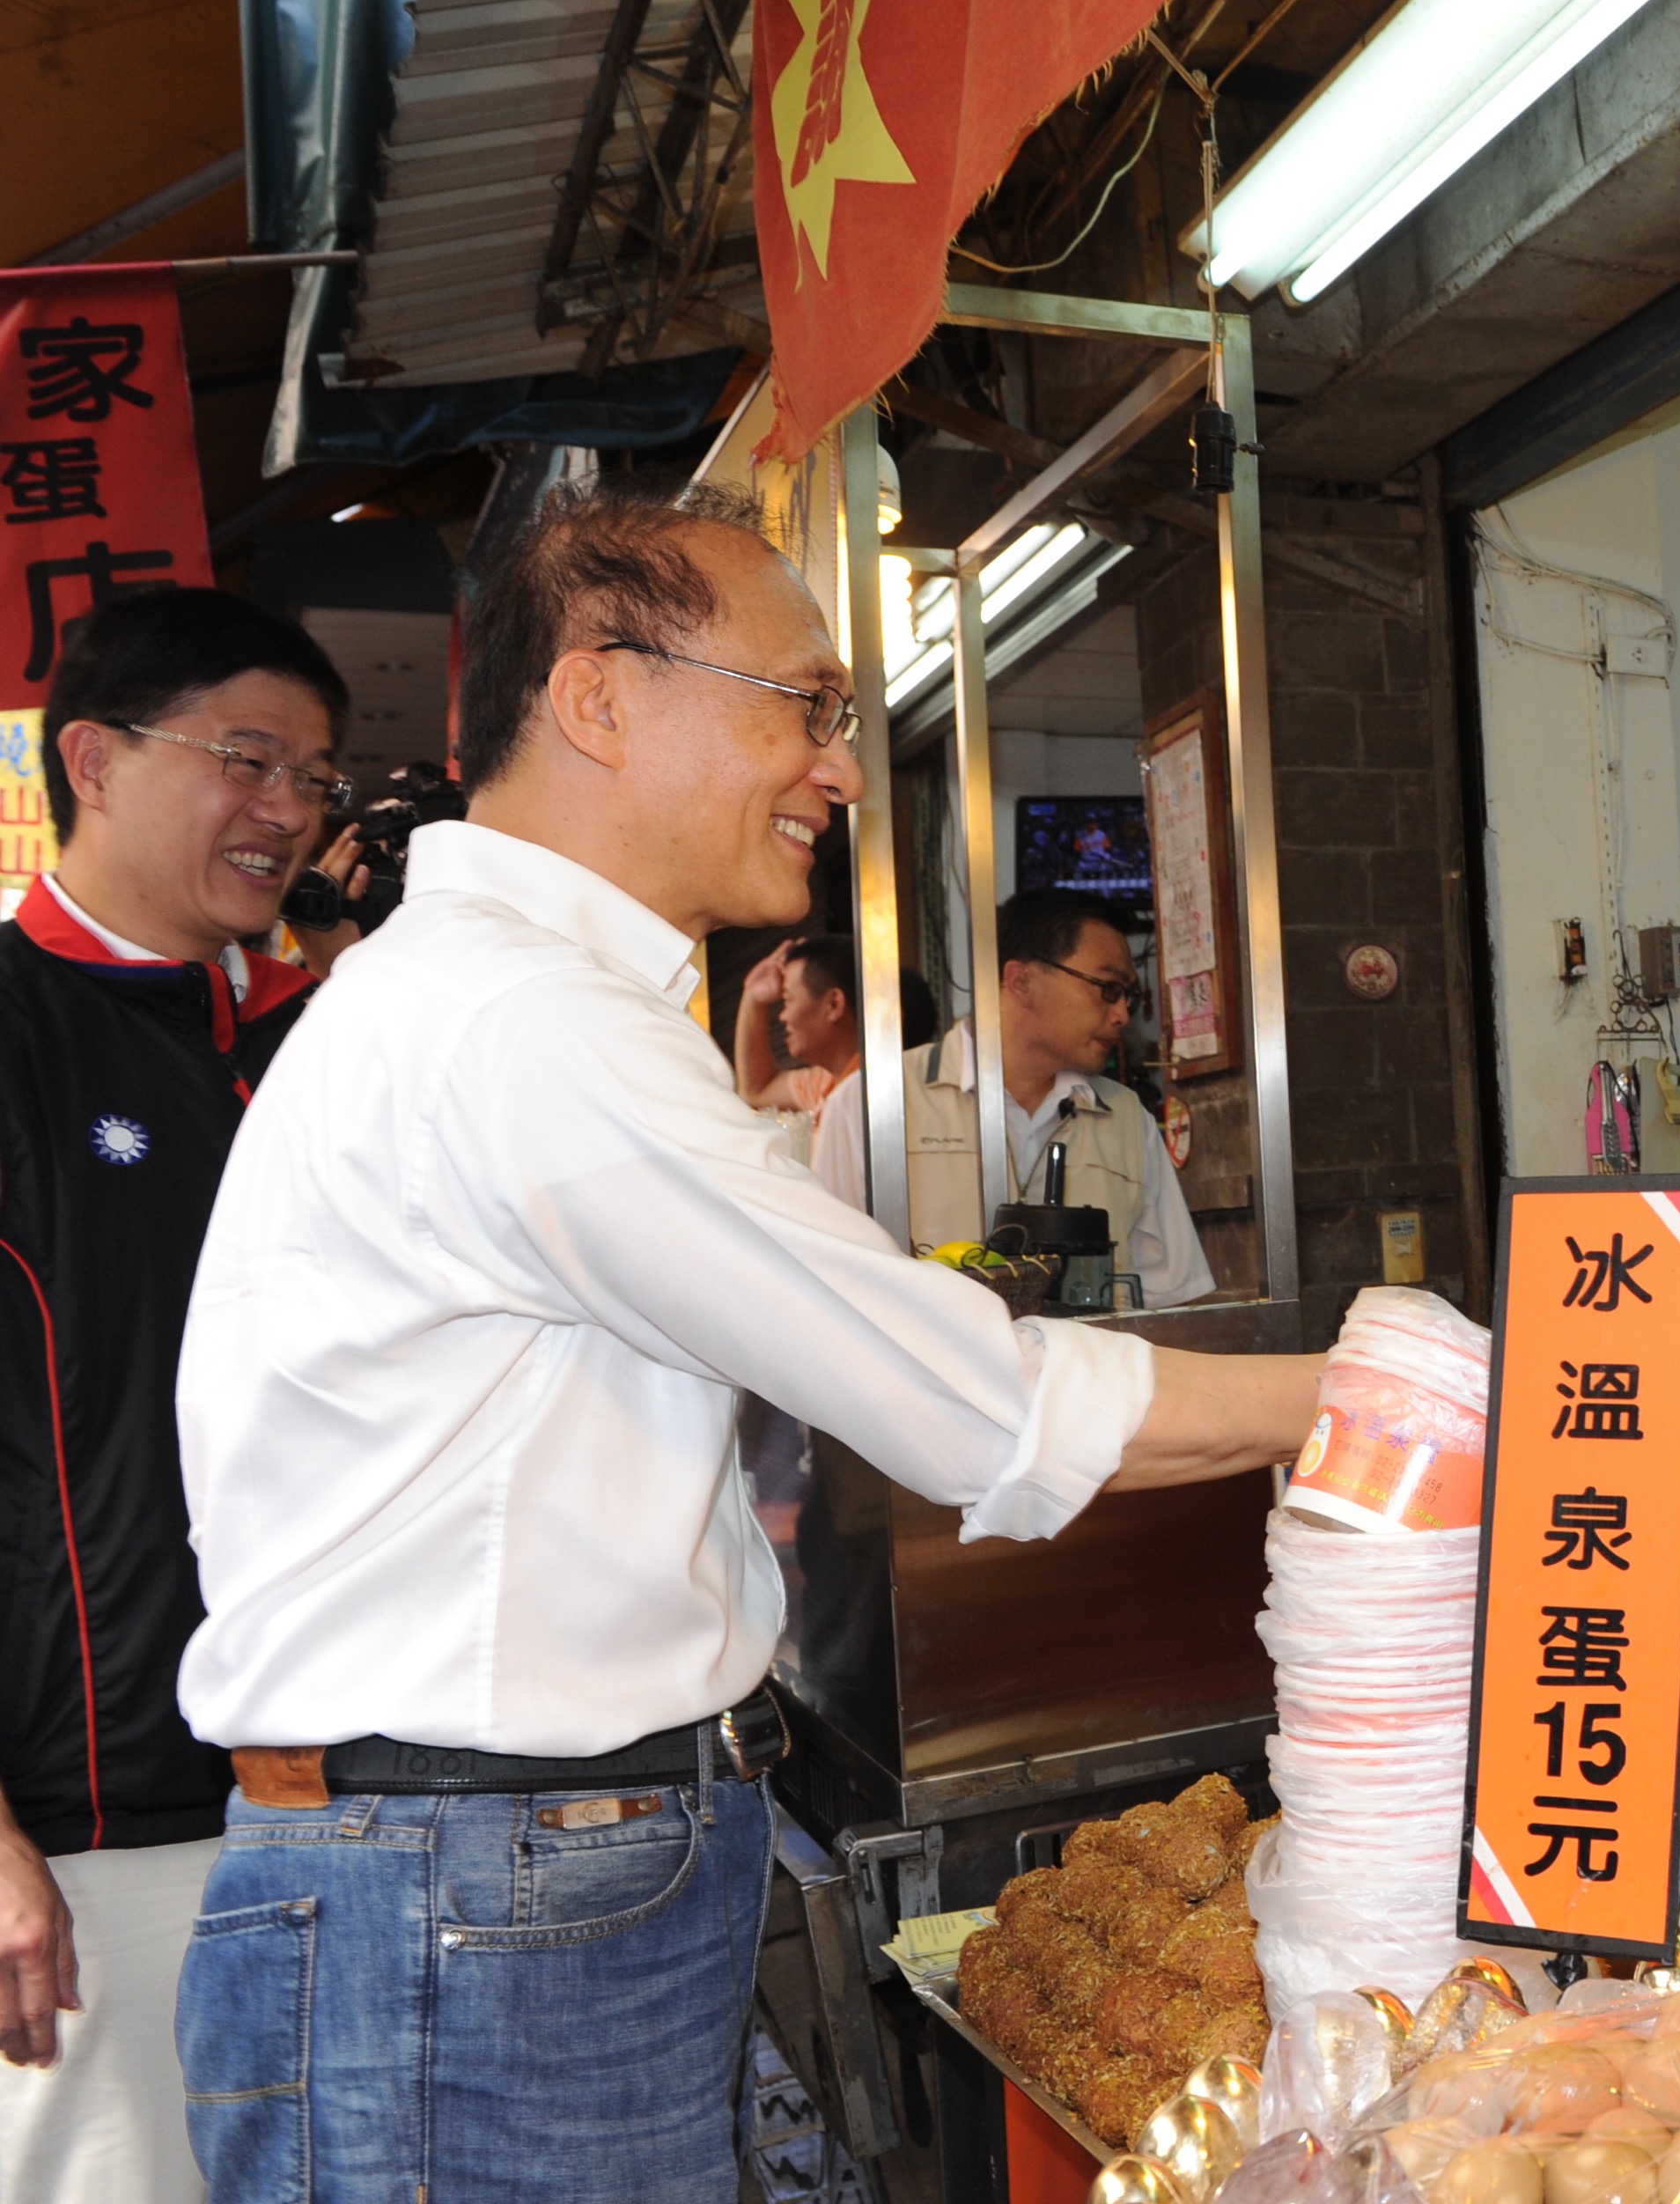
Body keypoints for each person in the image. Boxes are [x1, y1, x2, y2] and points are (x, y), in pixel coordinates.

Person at [169, 481, 1323, 2202]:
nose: (842, 771)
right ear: (599, 697)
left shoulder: (505, 1003)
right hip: (479, 1894)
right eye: (805, 707)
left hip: (497, 1874)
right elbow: (973, 1400)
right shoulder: (519, 1023)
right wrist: (1397, 1381)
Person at [0, 594, 348, 2204]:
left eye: (315, 777)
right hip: (91, 1828)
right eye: (245, 758)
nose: (285, 809)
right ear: (92, 756)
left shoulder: (316, 1047)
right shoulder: (14, 1033)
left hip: (356, 1792)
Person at [814, 888, 1214, 1308]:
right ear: (1020, 981)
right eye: (1107, 988)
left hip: (1082, 1374)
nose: (1121, 1015)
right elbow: (827, 1284)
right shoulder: (874, 1103)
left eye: (1127, 995)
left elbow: (1171, 1300)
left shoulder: (1127, 1119)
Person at [730, 933, 916, 1163]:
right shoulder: (826, 1083)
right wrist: (754, 998)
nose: (783, 1016)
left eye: (787, 999)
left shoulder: (883, 1097)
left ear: (834, 1004)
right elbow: (757, 1090)